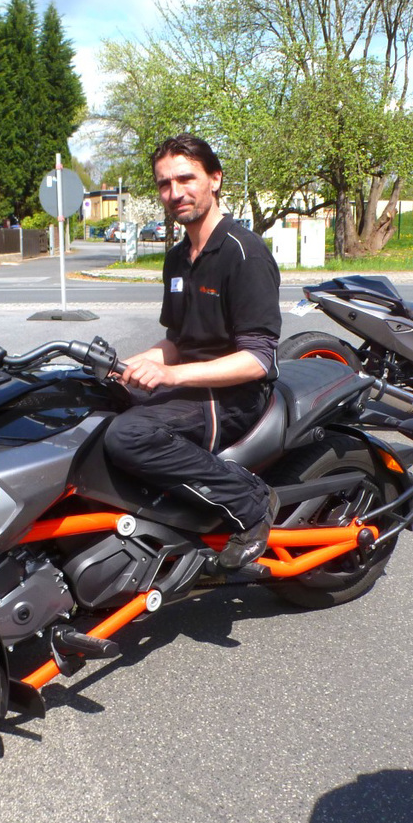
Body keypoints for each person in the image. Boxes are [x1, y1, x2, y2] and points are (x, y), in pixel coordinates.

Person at [104, 134, 281, 570]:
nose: (175, 192)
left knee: (128, 436)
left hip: (235, 396)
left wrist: (171, 376)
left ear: (215, 179)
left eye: (186, 178)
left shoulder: (244, 253)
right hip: (193, 386)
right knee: (89, 397)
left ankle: (250, 501)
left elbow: (260, 359)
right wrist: (135, 364)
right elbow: (177, 341)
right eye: (164, 184)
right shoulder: (177, 258)